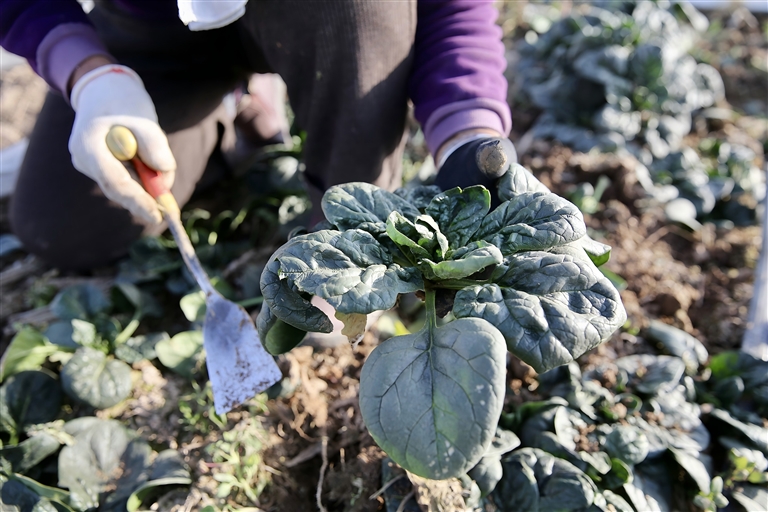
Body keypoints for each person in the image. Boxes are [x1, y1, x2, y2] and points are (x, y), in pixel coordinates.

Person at [1, 0, 517, 271]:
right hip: (160, 20)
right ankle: (237, 111)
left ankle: (354, 234)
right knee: (64, 226)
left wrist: (467, 133)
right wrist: (89, 74)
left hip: (334, 17)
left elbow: (453, 8)